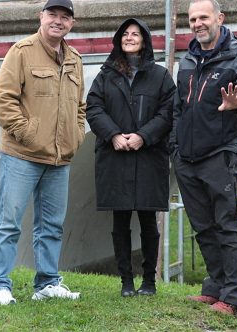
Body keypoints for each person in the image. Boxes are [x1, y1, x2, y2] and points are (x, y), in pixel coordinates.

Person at [0, 0, 86, 305]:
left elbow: (80, 106)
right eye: (52, 14)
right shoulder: (21, 52)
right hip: (22, 155)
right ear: (41, 17)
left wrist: (76, 135)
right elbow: (3, 101)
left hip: (60, 158)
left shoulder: (75, 60)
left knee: (52, 225)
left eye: (65, 17)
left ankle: (47, 283)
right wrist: (28, 134)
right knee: (9, 221)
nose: (58, 20)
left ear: (72, 23)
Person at [177, 0, 237, 317]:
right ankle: (214, 287)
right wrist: (176, 147)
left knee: (226, 224)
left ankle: (234, 297)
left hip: (219, 154)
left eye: (203, 17)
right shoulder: (187, 59)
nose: (197, 23)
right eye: (192, 19)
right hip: (187, 158)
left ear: (219, 19)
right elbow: (179, 107)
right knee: (203, 226)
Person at [86, 18, 175, 298]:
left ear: (145, 41)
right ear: (118, 40)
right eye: (125, 34)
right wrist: (114, 135)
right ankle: (126, 281)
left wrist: (143, 136)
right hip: (116, 157)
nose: (130, 37)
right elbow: (94, 108)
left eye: (136, 34)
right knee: (120, 221)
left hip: (148, 157)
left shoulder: (160, 76)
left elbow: (168, 112)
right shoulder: (106, 75)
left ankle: (149, 281)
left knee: (149, 222)